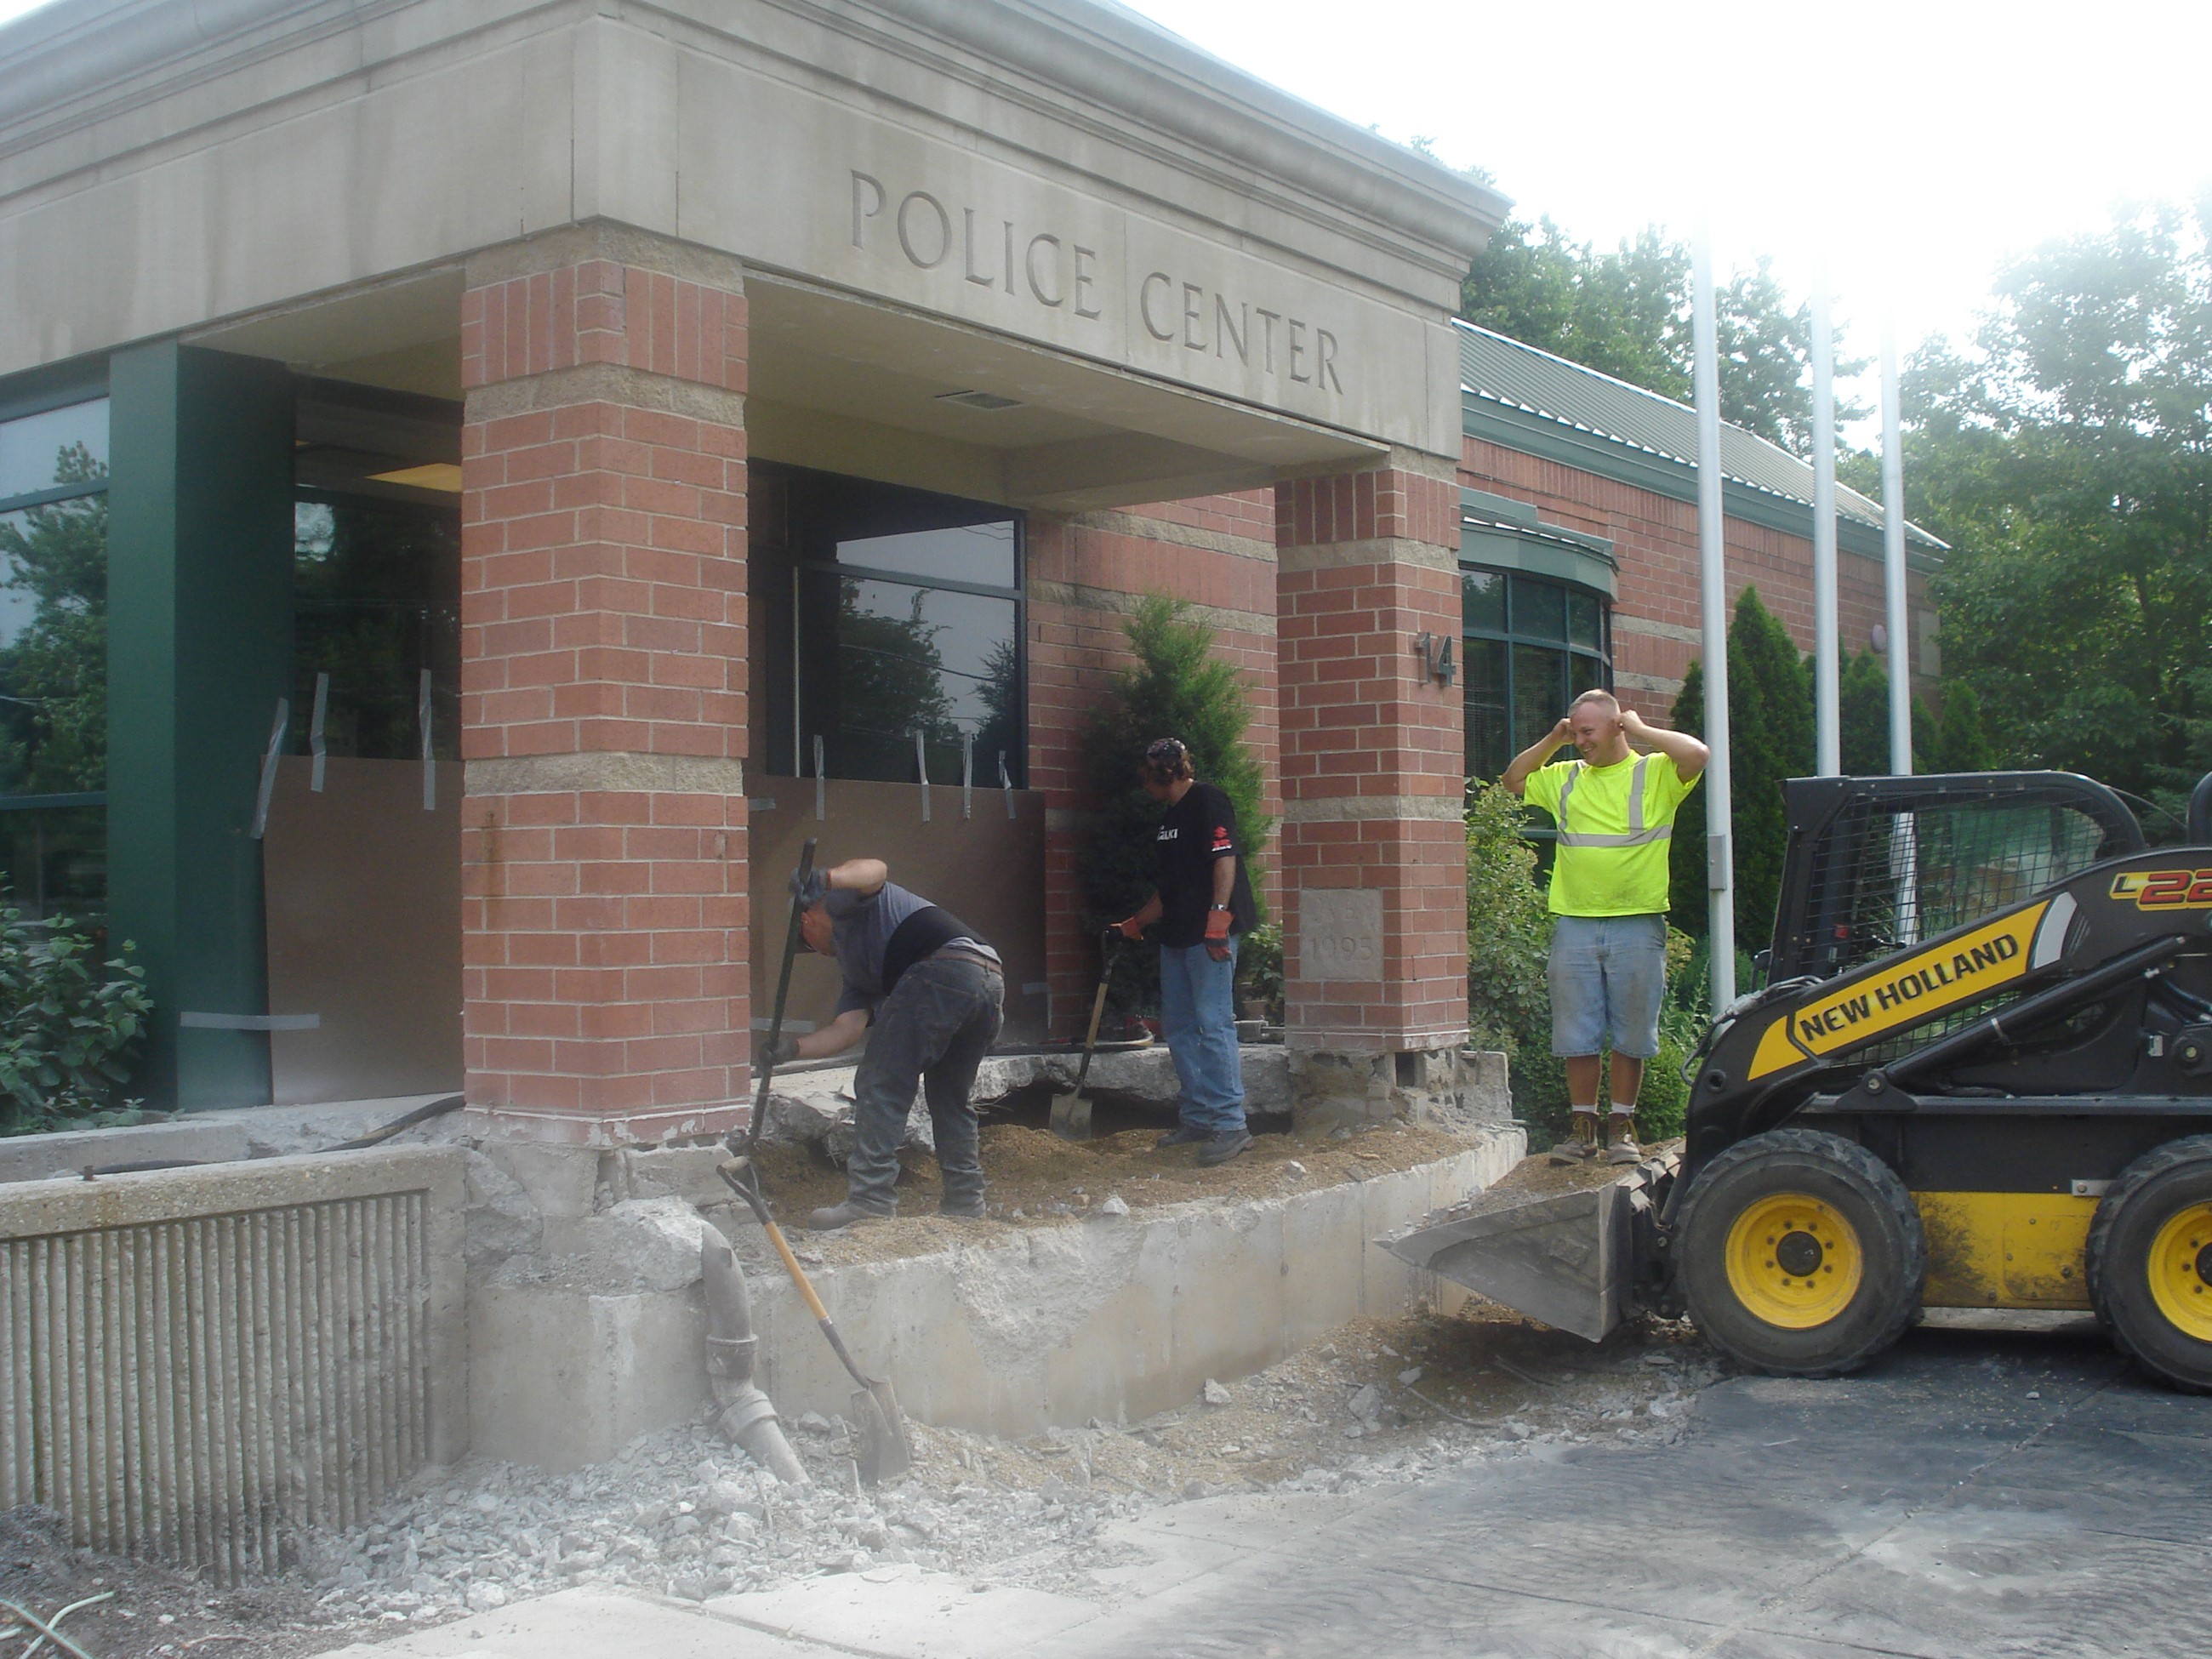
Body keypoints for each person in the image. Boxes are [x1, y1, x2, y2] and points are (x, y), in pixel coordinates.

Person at [1502, 689, 1708, 1166]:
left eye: (1586, 732)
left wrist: (1638, 729)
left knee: (1631, 1033)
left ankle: (1622, 1130)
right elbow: (1513, 780)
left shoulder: (1653, 772)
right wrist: (1553, 740)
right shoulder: (1565, 777)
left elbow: (1697, 754)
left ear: (1615, 728)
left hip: (1637, 921)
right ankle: (1582, 1131)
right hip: (1575, 921)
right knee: (1577, 1032)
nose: (1580, 742)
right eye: (1574, 732)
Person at [769, 857, 1004, 1229]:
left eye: (807, 943)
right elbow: (846, 1030)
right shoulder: (857, 973)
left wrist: (826, 879)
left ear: (807, 920)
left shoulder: (843, 904)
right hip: (986, 977)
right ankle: (966, 1203)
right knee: (950, 1097)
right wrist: (789, 1050)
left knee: (879, 1082)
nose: (814, 951)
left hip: (942, 968)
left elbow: (876, 870)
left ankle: (870, 1201)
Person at [1112, 738, 1260, 1167]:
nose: (1143, 784)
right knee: (1177, 1026)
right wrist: (1136, 923)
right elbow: (1171, 887)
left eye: (1147, 775)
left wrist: (1218, 917)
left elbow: (1225, 858)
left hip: (1208, 934)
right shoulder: (1170, 817)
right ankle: (1198, 1116)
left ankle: (1232, 1125)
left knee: (1213, 1024)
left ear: (1164, 772)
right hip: (1176, 934)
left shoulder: (1208, 800)